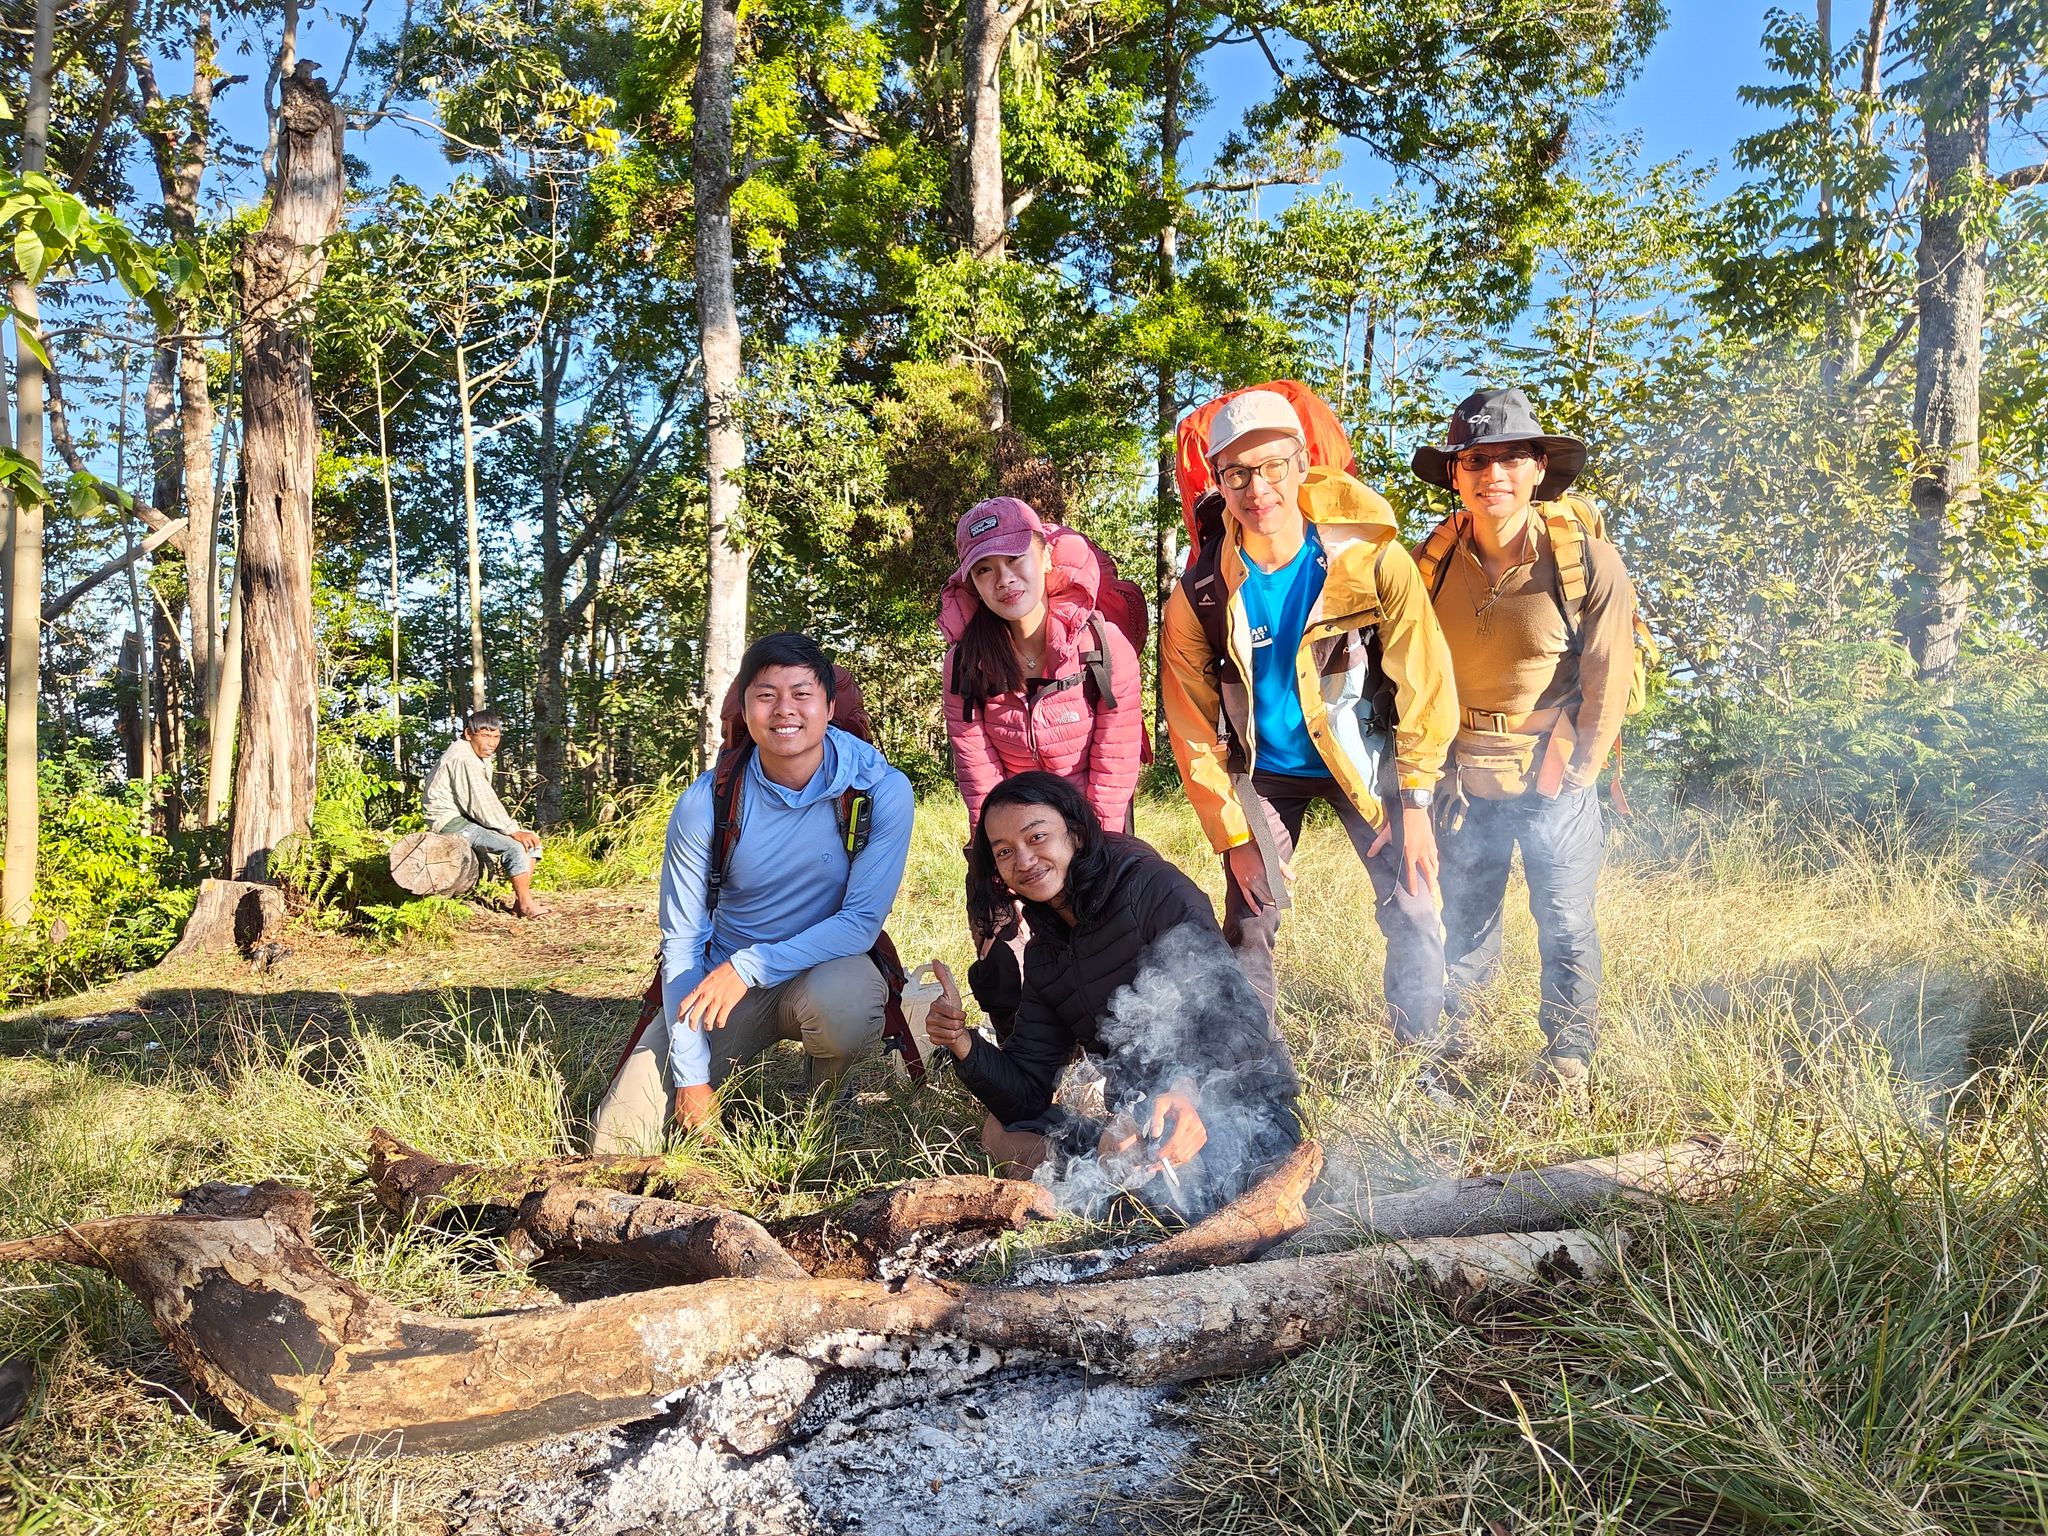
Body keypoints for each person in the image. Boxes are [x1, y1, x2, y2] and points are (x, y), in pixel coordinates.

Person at [1159, 388, 1461, 1053]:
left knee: (1414, 901)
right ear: (1218, 483)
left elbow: (1424, 679)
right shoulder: (1201, 591)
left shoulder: (1371, 558)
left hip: (1365, 758)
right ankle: (1254, 1075)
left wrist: (1416, 800)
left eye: (1272, 466)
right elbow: (1191, 723)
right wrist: (1232, 833)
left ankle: (1420, 1057)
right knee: (1250, 919)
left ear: (1304, 465)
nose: (1256, 487)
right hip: (1266, 772)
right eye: (1237, 473)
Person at [923, 772, 1302, 1221]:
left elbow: (1239, 1015)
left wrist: (1187, 1091)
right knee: (1001, 1134)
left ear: (1077, 835)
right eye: (1005, 852)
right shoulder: (1047, 953)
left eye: (1037, 836)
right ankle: (1117, 1189)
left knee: (1175, 1177)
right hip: (1139, 1123)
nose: (1024, 859)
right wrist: (962, 1044)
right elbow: (1027, 1093)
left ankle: (1129, 1199)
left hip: (1236, 1109)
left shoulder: (1152, 890)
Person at [591, 633, 914, 1145]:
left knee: (846, 1008)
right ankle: (699, 1087)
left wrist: (749, 967)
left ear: (829, 706)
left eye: (802, 693)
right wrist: (692, 1078)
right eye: (766, 694)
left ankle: (825, 1103)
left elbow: (859, 923)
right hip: (722, 984)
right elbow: (681, 942)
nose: (785, 709)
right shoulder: (707, 802)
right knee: (616, 1139)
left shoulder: (877, 789)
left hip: (820, 969)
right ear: (745, 708)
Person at [1409, 387, 1640, 1096]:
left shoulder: (1588, 564)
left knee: (1565, 921)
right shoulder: (1432, 564)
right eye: (1476, 459)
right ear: (1456, 473)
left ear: (1540, 468)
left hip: (1553, 778)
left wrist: (1580, 776)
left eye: (1512, 458)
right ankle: (1456, 1051)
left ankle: (1567, 1059)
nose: (1493, 474)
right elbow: (1406, 672)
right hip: (1462, 778)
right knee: (1465, 922)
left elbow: (1608, 677)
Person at [941, 496, 1145, 1042]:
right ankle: (1022, 1056)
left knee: (1104, 959)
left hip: (1092, 823)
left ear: (1045, 555)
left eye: (1014, 559)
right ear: (972, 583)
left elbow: (1116, 754)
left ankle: (1109, 1061)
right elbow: (975, 762)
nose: (1004, 580)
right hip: (1009, 826)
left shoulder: (1101, 645)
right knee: (1002, 962)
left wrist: (1089, 845)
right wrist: (999, 852)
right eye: (984, 570)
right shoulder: (966, 661)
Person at [421, 710, 550, 920]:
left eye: (496, 737)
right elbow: (481, 804)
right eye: (485, 735)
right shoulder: (463, 759)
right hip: (450, 822)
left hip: (466, 817)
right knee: (515, 846)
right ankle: (526, 905)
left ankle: (520, 902)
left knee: (532, 841)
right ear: (468, 734)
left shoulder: (475, 754)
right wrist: (512, 830)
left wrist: (515, 830)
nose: (491, 742)